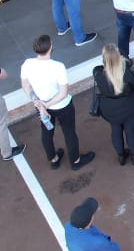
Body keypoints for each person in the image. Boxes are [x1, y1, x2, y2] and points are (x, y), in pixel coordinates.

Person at [21, 34, 94, 171]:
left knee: (47, 132)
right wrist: (46, 105)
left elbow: (25, 85)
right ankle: (75, 161)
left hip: (41, 107)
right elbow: (63, 93)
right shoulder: (58, 67)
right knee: (69, 132)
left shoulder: (27, 64)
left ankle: (53, 160)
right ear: (50, 48)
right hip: (62, 106)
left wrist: (40, 104)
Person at [93, 44, 134, 166]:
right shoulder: (125, 73)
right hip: (128, 107)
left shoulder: (99, 74)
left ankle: (121, 156)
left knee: (115, 130)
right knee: (130, 131)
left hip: (110, 109)